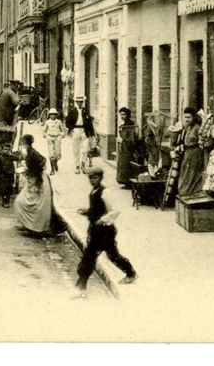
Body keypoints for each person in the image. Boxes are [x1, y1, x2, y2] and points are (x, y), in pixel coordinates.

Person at [75, 166, 138, 298]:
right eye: (90, 178)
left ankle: (80, 287)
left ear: (101, 178)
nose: (93, 180)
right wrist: (87, 211)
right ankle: (130, 273)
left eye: (95, 177)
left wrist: (102, 220)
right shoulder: (94, 191)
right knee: (101, 255)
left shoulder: (105, 192)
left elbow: (114, 210)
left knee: (95, 256)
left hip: (104, 231)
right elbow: (97, 208)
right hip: (96, 230)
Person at [14, 134, 56, 237]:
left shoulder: (33, 153)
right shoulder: (29, 152)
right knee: (24, 202)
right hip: (34, 179)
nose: (22, 144)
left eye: (23, 142)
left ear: (26, 143)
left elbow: (43, 161)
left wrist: (31, 171)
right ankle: (28, 224)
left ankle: (36, 228)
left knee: (34, 204)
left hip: (38, 180)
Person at [176, 107, 204, 197]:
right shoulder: (187, 127)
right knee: (185, 172)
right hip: (187, 151)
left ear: (194, 117)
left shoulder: (197, 128)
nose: (187, 119)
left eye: (189, 117)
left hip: (195, 152)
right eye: (185, 117)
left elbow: (201, 141)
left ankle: (190, 192)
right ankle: (184, 192)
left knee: (191, 172)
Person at [65, 96, 95, 174]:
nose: (80, 103)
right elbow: (67, 121)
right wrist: (71, 128)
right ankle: (77, 166)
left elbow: (89, 123)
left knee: (86, 148)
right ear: (76, 102)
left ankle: (83, 164)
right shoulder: (72, 111)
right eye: (78, 101)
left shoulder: (85, 111)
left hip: (84, 131)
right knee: (76, 149)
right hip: (76, 130)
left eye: (81, 101)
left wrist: (92, 134)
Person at [116, 107, 140, 186]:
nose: (122, 116)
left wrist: (121, 132)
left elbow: (128, 136)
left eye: (124, 114)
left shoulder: (129, 124)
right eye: (121, 115)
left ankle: (128, 181)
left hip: (128, 146)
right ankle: (125, 181)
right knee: (123, 162)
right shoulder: (125, 124)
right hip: (125, 145)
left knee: (127, 162)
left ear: (127, 115)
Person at [42, 108, 66, 175]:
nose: (53, 116)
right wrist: (47, 136)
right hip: (50, 137)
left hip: (57, 137)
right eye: (51, 115)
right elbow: (44, 131)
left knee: (57, 154)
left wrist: (60, 136)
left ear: (56, 115)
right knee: (51, 154)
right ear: (49, 115)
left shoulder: (59, 122)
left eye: (54, 114)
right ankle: (52, 169)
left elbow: (63, 131)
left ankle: (55, 163)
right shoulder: (47, 122)